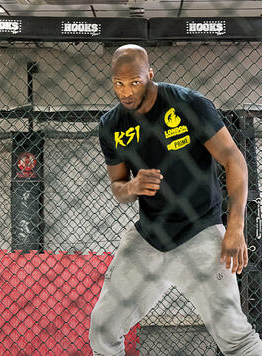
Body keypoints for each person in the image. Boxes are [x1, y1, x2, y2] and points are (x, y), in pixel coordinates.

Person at [89, 44, 262, 356]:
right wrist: (133, 186)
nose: (126, 91)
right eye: (119, 83)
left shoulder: (189, 104)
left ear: (150, 75)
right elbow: (117, 186)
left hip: (200, 231)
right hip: (150, 237)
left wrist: (235, 228)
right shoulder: (111, 125)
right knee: (103, 328)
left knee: (236, 337)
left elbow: (234, 159)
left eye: (135, 82)